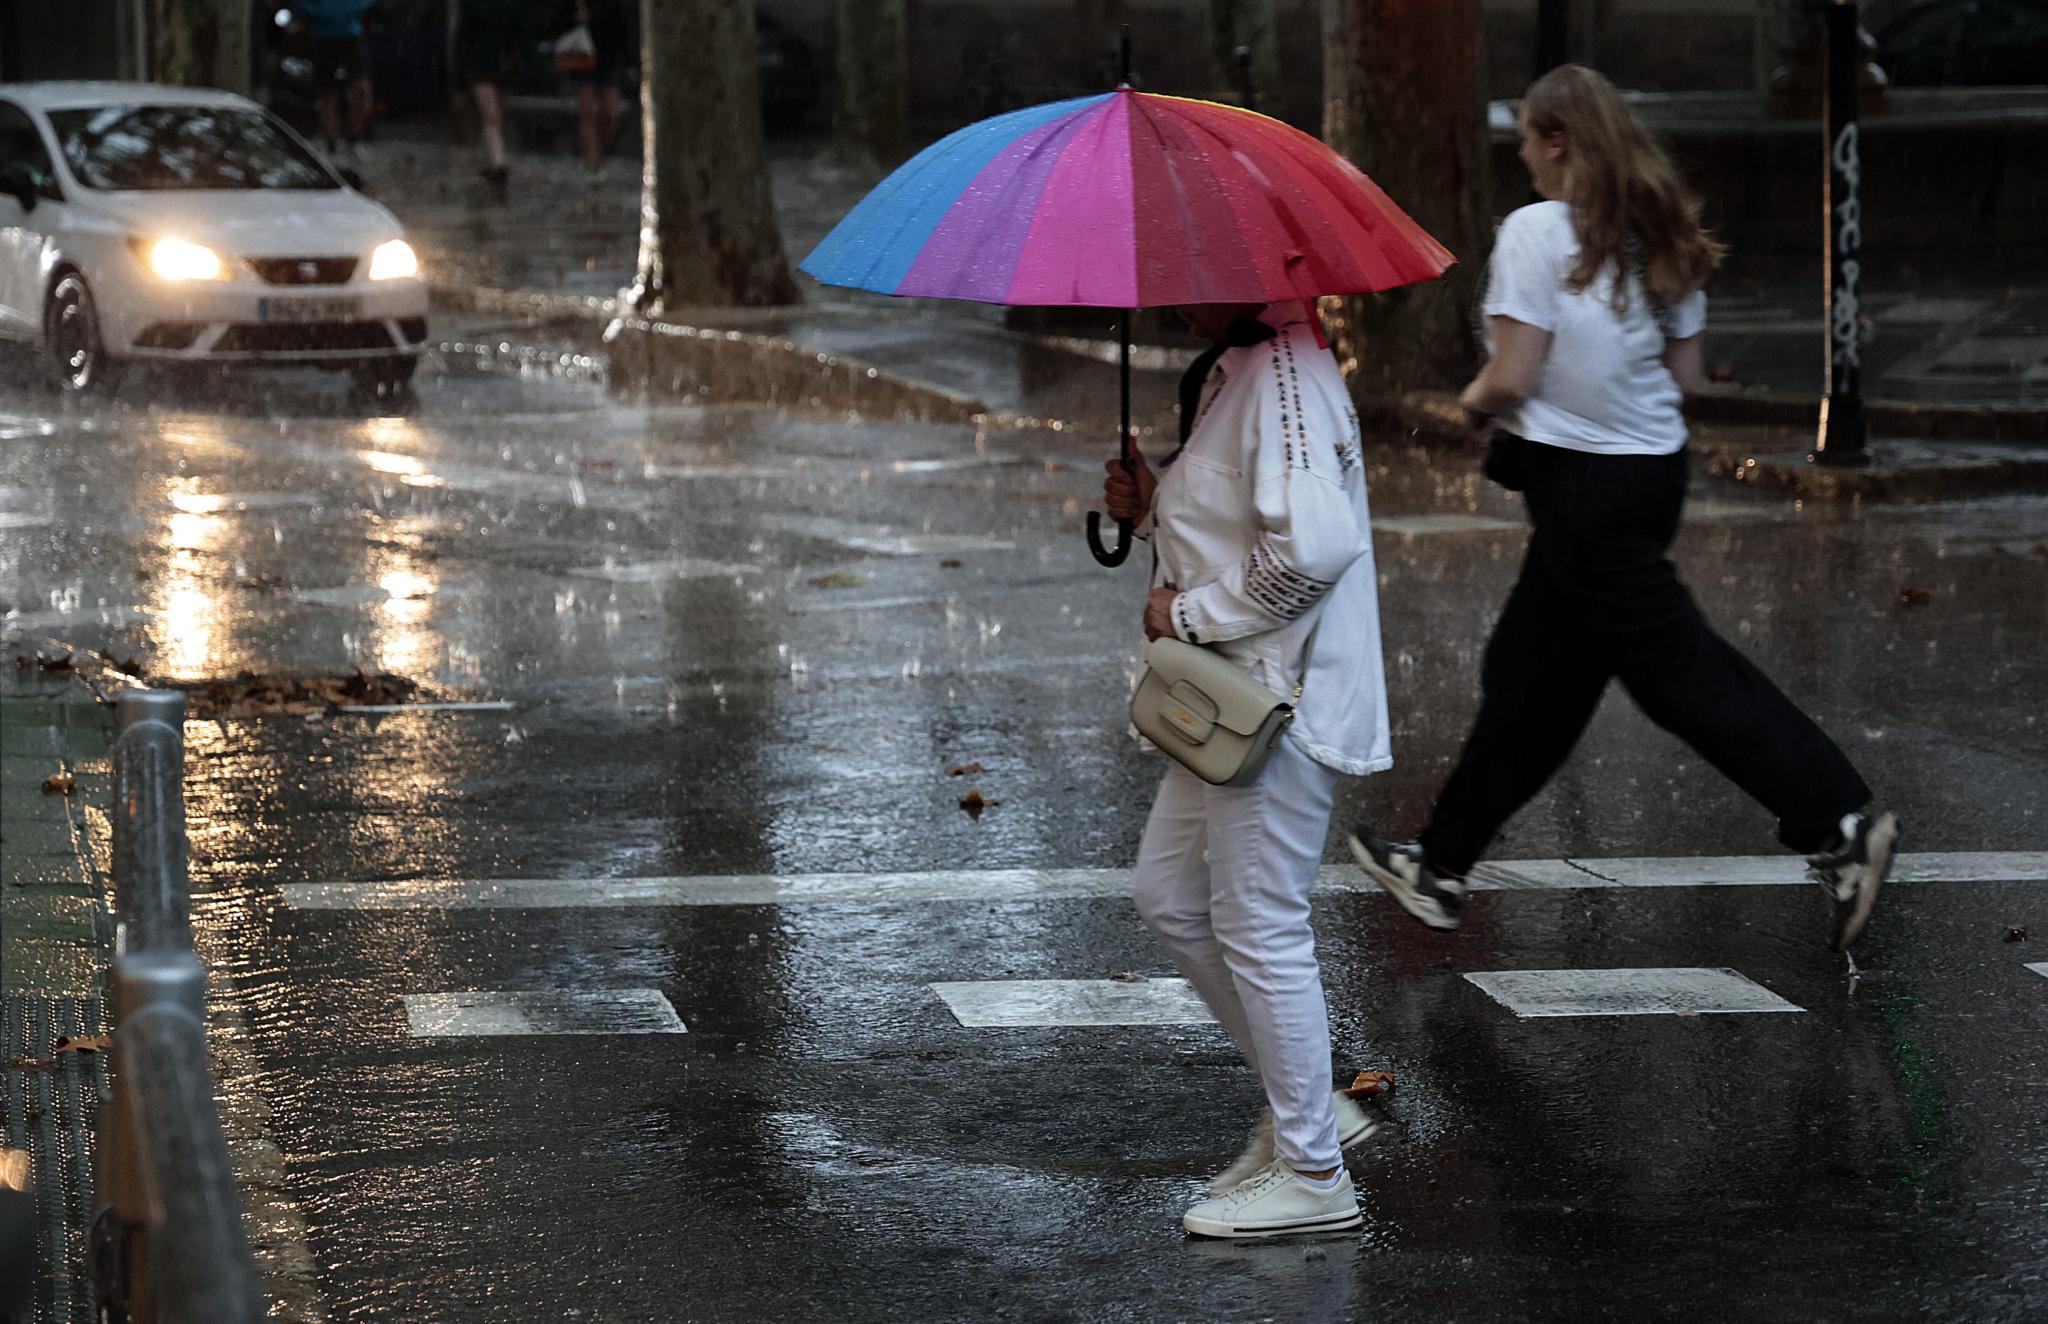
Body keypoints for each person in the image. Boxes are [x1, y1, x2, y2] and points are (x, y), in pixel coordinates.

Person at [1348, 64, 1898, 951]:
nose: (1520, 152)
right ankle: (1441, 867)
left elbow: (1516, 372)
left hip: (1586, 492)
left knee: (1680, 678)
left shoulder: (1534, 230)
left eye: (1527, 136)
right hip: (1647, 478)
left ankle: (1840, 821)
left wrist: (1470, 403)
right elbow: (1683, 383)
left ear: (1557, 140)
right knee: (1531, 677)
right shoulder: (1658, 233)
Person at [1103, 300, 1390, 1239]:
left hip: (1279, 701)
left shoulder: (1285, 379)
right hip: (1236, 697)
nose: (1173, 296)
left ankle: (1314, 1170)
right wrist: (1153, 510)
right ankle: (1309, 1105)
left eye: (1192, 274)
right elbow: (1241, 521)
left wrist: (1184, 617)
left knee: (1260, 922)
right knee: (1171, 896)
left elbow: (1312, 548)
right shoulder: (1247, 368)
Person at [553, 0, 635, 176]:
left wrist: (629, 61)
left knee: (611, 114)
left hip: (608, 59)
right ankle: (592, 163)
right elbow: (556, 21)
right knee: (588, 113)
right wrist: (575, 19)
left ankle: (597, 151)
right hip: (583, 59)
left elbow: (622, 27)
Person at [456, 0, 526, 188]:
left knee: (494, 117)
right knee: (491, 116)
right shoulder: (480, 7)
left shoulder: (502, 7)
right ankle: (497, 161)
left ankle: (489, 159)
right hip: (485, 66)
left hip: (499, 66)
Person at [300, 0, 379, 159]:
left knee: (361, 89)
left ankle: (354, 138)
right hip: (323, 37)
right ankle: (331, 142)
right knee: (328, 92)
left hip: (352, 36)